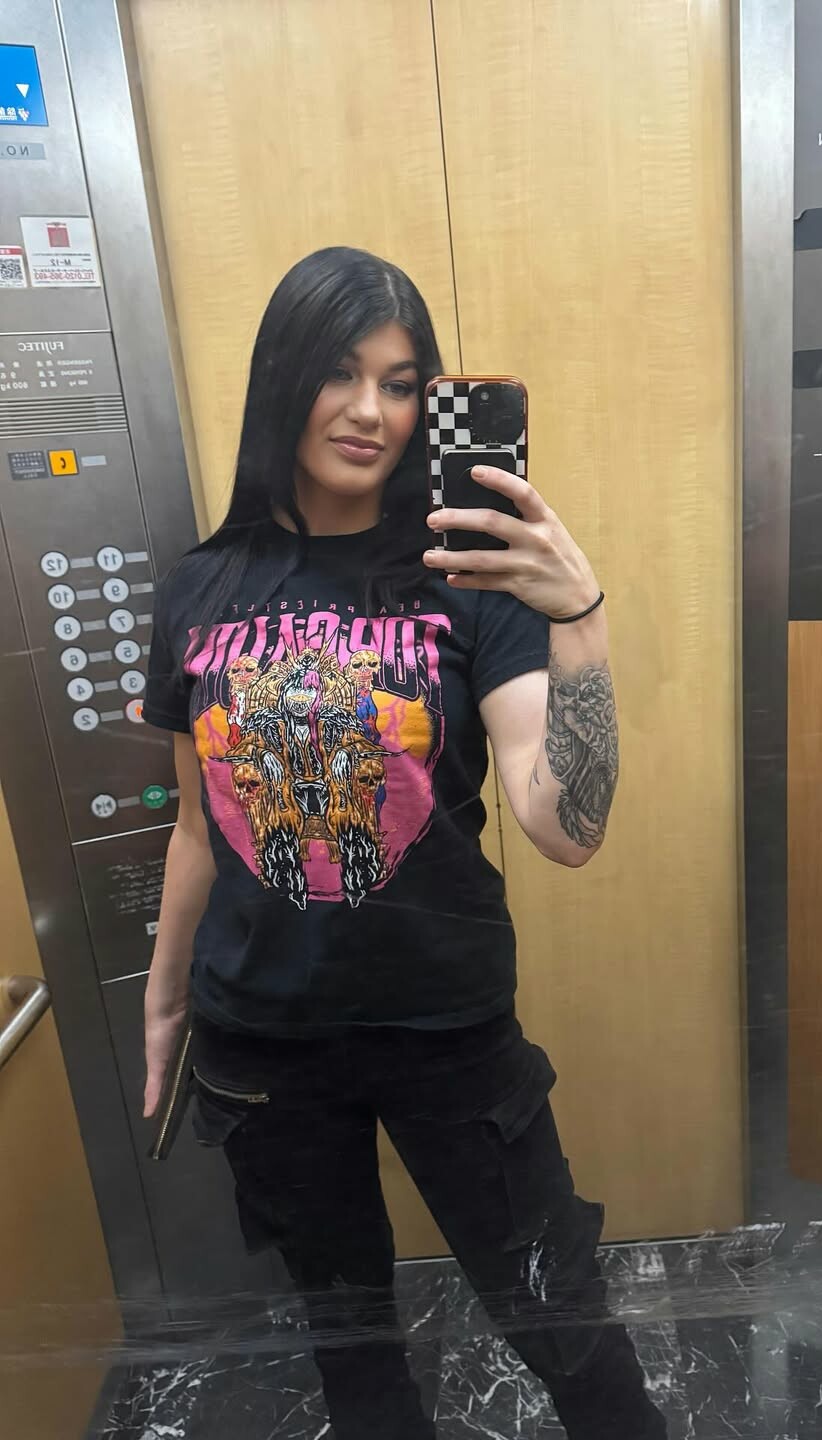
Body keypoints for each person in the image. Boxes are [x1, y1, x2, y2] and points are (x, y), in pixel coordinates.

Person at [142, 246, 665, 1439]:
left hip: (448, 1028)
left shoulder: (469, 575)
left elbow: (566, 826)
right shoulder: (198, 588)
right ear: (284, 379)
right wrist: (166, 1006)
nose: (370, 411)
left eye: (400, 381)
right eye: (340, 372)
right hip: (263, 1044)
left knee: (563, 1324)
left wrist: (579, 618)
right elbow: (198, 825)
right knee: (353, 1353)